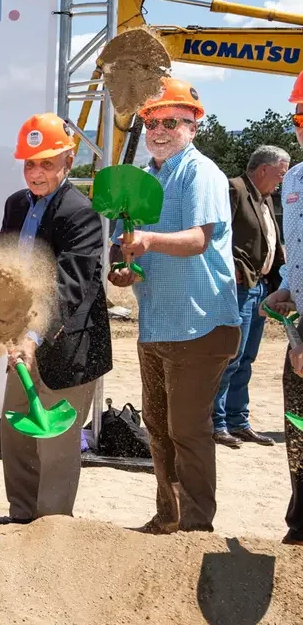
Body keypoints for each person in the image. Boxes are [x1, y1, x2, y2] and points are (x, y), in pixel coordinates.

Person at [108, 79, 241, 534]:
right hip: (157, 323)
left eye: (171, 122)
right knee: (158, 428)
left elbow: (200, 239)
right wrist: (125, 269)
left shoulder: (201, 172)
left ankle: (196, 529)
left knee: (187, 429)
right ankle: (169, 518)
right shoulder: (145, 178)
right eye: (151, 122)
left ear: (193, 126)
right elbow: (126, 247)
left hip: (200, 324)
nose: (159, 130)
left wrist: (147, 241)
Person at [0, 113, 112, 522]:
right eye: (30, 163)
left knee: (56, 446)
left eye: (46, 163)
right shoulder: (16, 205)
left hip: (68, 347)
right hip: (21, 342)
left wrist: (32, 336)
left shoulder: (81, 214)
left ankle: (52, 530)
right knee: (16, 432)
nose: (36, 172)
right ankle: (21, 517)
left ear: (68, 160)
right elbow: (2, 267)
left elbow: (69, 287)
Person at [212, 145, 289, 449]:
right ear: (263, 169)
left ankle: (238, 421)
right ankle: (217, 423)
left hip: (261, 287)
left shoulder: (265, 197)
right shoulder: (234, 189)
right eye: (280, 174)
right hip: (239, 288)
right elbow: (216, 234)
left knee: (246, 359)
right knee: (230, 357)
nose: (282, 180)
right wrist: (231, 269)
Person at [262, 74, 303, 545]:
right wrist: (288, 287)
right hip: (299, 329)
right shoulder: (293, 178)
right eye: (299, 116)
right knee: (298, 429)